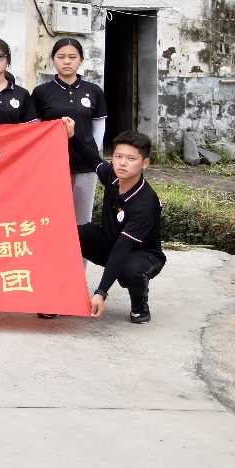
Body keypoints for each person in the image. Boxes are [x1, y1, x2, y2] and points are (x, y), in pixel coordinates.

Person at [65, 123, 164, 323]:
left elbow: (122, 249)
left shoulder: (146, 202)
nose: (122, 163)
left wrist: (101, 293)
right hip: (111, 243)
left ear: (145, 163)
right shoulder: (113, 176)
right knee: (71, 234)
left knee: (130, 271)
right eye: (118, 156)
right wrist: (72, 136)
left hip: (143, 254)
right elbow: (93, 160)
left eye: (131, 158)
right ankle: (62, 294)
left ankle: (139, 301)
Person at [34, 38, 108, 223]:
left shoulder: (94, 91)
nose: (66, 61)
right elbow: (35, 129)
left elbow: (98, 129)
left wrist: (91, 155)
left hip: (85, 165)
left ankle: (81, 244)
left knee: (82, 219)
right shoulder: (41, 92)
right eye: (61, 57)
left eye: (72, 57)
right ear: (53, 59)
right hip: (52, 164)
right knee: (53, 216)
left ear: (81, 60)